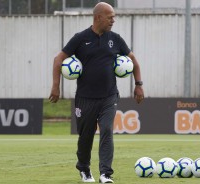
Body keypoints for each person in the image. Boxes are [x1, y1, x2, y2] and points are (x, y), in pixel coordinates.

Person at [49, 2, 144, 183]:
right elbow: (58, 60)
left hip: (109, 96)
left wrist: (138, 84)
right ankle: (84, 168)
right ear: (98, 17)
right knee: (86, 136)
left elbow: (134, 62)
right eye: (110, 17)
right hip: (85, 99)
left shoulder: (115, 39)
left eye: (114, 17)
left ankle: (105, 174)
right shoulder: (80, 38)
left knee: (107, 130)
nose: (113, 20)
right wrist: (56, 85)